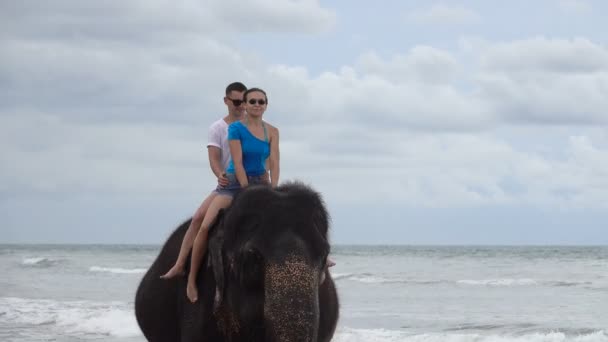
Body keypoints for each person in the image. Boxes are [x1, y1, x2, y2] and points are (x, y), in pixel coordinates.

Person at [186, 87, 280, 302]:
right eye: (252, 101)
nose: (257, 105)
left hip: (261, 181)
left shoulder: (273, 131)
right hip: (235, 183)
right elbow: (237, 162)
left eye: (261, 101)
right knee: (206, 225)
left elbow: (274, 162)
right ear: (245, 105)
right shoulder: (235, 129)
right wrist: (246, 190)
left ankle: (321, 257)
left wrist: (274, 189)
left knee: (287, 214)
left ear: (266, 105)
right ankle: (191, 279)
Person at [160, 81, 248, 280]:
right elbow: (214, 158)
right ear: (226, 101)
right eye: (236, 101)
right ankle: (180, 264)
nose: (240, 105)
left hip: (252, 181)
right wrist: (220, 175)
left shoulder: (252, 124)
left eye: (244, 101)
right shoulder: (217, 128)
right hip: (228, 182)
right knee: (199, 216)